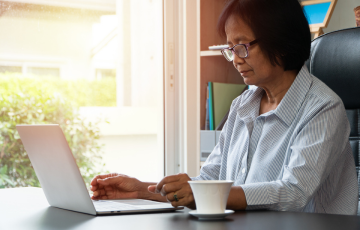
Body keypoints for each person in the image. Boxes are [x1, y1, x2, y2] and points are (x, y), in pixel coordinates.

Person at [90, 0, 358, 215]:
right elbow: (209, 180)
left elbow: (293, 192)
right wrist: (140, 190)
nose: (235, 59)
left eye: (242, 46)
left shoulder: (323, 108)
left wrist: (206, 194)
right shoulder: (243, 104)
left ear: (281, 41)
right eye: (230, 49)